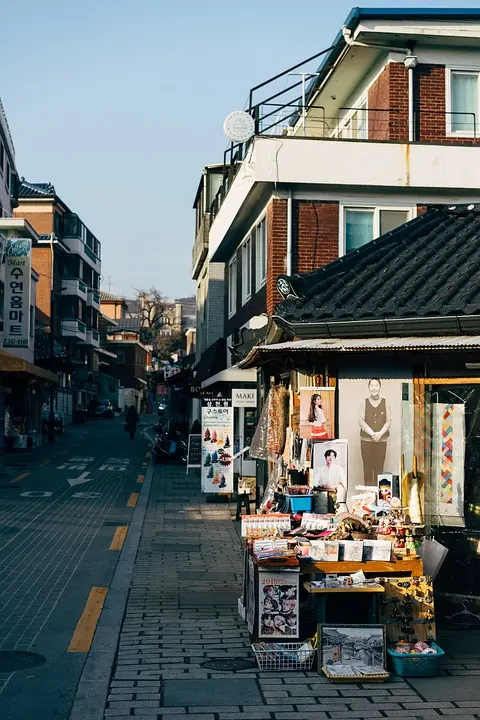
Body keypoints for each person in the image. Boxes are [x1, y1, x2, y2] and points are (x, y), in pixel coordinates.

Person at [359, 378, 392, 485]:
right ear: (369, 388)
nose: (374, 388)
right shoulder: (364, 402)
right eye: (372, 386)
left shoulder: (385, 402)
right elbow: (361, 421)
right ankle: (368, 496)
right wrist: (372, 434)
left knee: (379, 467)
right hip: (366, 441)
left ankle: (379, 497)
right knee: (367, 468)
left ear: (380, 387)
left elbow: (388, 421)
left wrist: (380, 434)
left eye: (376, 385)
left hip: (381, 441)